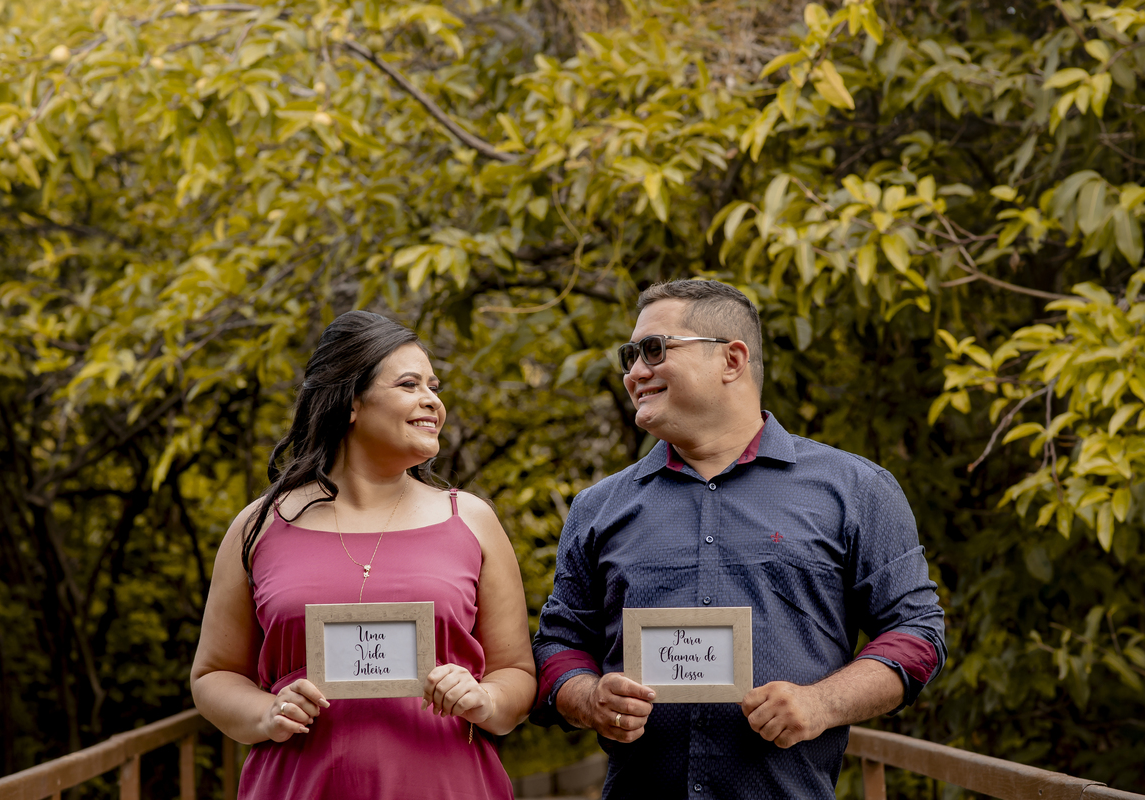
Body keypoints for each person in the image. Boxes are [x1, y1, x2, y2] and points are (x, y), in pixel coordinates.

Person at [532, 279, 947, 799]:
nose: (634, 372)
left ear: (732, 360)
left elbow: (917, 634)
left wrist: (822, 704)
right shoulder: (598, 507)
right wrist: (589, 697)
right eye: (630, 356)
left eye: (654, 350)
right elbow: (556, 645)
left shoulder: (856, 489)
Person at [191, 310, 536, 800]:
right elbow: (212, 675)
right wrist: (263, 714)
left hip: (447, 784)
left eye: (434, 387)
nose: (433, 402)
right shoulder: (258, 526)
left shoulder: (472, 520)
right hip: (301, 785)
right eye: (410, 384)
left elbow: (518, 673)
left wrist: (486, 698)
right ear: (350, 401)